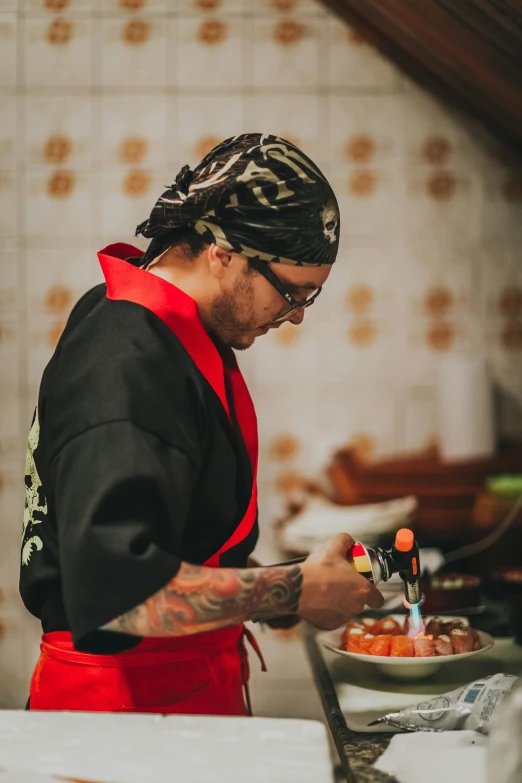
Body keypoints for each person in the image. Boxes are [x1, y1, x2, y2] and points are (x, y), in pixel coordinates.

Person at [20, 134, 383, 716]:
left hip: (171, 692)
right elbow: (117, 593)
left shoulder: (165, 334)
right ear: (223, 253)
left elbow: (180, 548)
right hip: (118, 717)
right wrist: (293, 588)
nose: (293, 318)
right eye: (292, 293)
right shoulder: (126, 363)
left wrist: (294, 588)